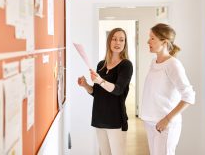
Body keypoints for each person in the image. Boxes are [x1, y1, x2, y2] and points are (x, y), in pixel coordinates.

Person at [139, 23, 195, 155]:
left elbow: (189, 96)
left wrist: (167, 119)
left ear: (164, 42)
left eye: (152, 38)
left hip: (164, 125)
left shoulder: (173, 65)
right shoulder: (154, 62)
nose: (148, 41)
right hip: (150, 122)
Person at [77, 28, 133, 155]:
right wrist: (85, 85)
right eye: (114, 39)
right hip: (99, 117)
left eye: (121, 40)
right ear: (109, 41)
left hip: (116, 120)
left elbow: (118, 90)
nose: (117, 42)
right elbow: (96, 93)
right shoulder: (101, 65)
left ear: (125, 44)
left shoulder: (126, 65)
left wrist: (100, 80)